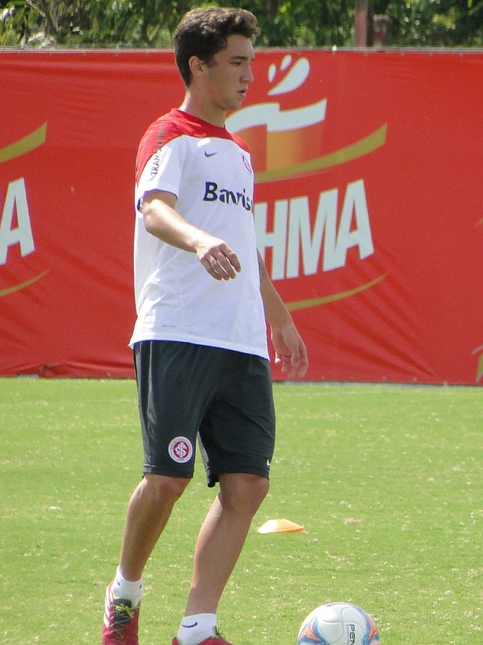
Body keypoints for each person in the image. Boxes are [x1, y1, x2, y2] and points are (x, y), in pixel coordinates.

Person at [101, 7, 308, 645]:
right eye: (238, 62)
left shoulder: (241, 153)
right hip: (179, 329)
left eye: (252, 60)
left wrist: (277, 312)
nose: (252, 75)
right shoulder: (168, 134)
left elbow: (244, 245)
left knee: (248, 482)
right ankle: (124, 596)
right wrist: (197, 241)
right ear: (200, 66)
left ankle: (197, 626)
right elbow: (155, 212)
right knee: (167, 479)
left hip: (240, 339)